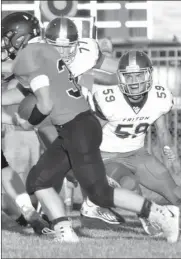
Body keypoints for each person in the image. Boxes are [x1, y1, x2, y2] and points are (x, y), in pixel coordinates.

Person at [7, 16, 179, 244]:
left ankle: (158, 213)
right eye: (57, 45)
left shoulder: (52, 55)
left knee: (97, 190)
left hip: (75, 123)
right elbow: (19, 87)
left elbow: (117, 69)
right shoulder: (39, 55)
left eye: (67, 46)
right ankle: (65, 229)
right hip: (72, 123)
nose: (62, 51)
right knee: (41, 179)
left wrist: (29, 122)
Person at [81, 50, 181, 236]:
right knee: (129, 184)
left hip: (137, 153)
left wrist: (169, 150)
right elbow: (92, 132)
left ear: (148, 74)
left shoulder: (159, 96)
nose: (134, 81)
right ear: (120, 77)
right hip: (108, 156)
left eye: (139, 75)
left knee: (172, 191)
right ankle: (149, 218)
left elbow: (162, 130)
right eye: (129, 76)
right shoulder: (109, 99)